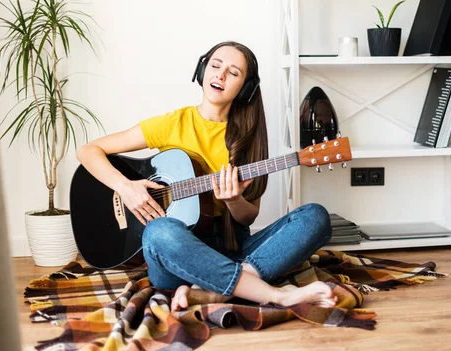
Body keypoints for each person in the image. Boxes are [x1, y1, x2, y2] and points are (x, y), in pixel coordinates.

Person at [77, 41, 336, 310]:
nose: (220, 75)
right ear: (202, 71)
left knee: (315, 216)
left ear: (245, 88)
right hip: (178, 257)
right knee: (158, 232)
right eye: (215, 65)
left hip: (231, 246)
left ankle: (217, 291)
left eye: (233, 73)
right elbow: (88, 151)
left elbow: (248, 217)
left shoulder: (248, 139)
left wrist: (234, 200)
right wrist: (126, 187)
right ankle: (276, 295)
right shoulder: (172, 124)